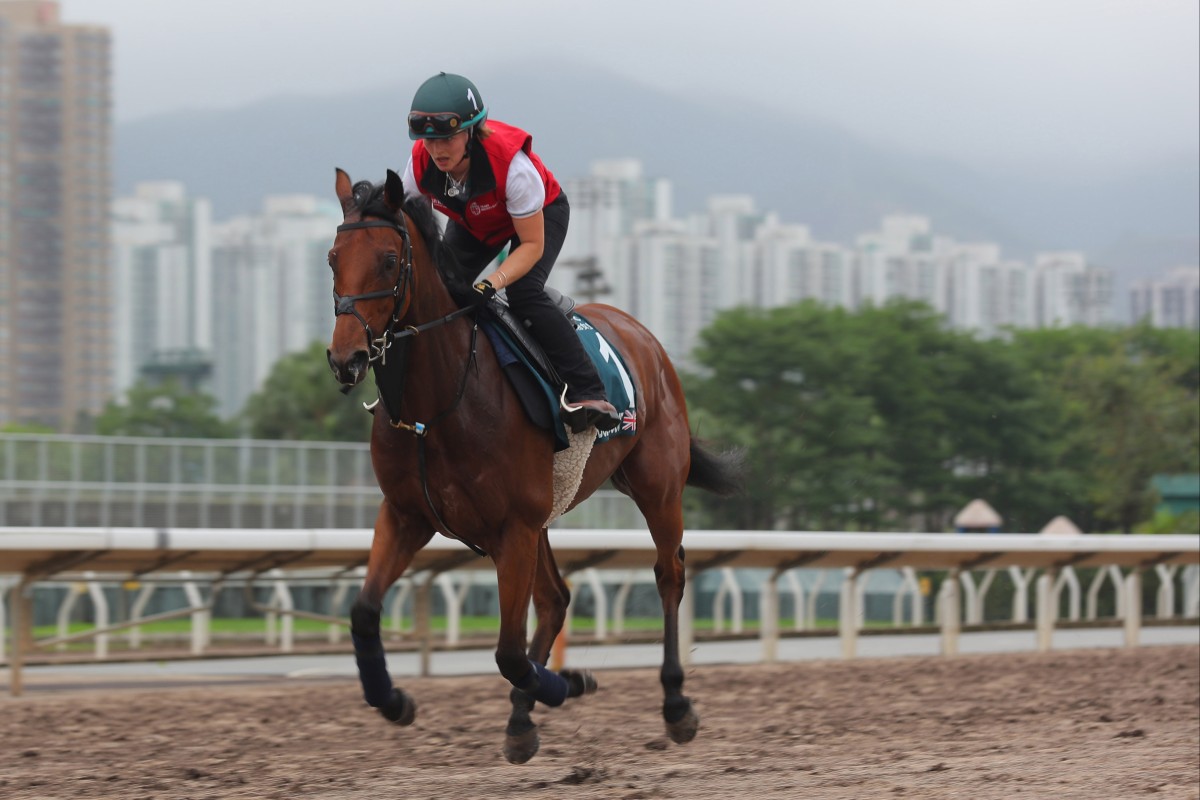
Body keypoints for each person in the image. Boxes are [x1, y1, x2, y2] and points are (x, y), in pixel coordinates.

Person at [401, 72, 620, 433]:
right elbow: (410, 229)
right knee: (439, 289)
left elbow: (531, 246)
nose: (437, 149)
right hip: (478, 221)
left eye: (448, 138)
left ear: (471, 132)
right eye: (429, 140)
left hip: (541, 216)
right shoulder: (419, 166)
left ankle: (588, 389)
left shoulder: (515, 169)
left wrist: (493, 281)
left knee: (522, 293)